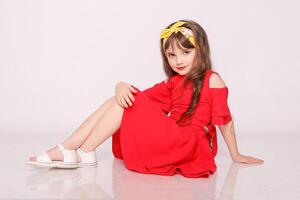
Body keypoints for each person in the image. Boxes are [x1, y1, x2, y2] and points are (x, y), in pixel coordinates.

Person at [27, 19, 264, 178]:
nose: (178, 60)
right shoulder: (174, 82)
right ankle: (70, 148)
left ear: (200, 50)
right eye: (171, 55)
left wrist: (235, 154)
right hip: (173, 138)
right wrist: (120, 85)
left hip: (190, 145)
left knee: (127, 98)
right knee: (121, 97)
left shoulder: (212, 79)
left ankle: (81, 151)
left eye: (185, 52)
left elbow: (226, 121)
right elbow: (137, 97)